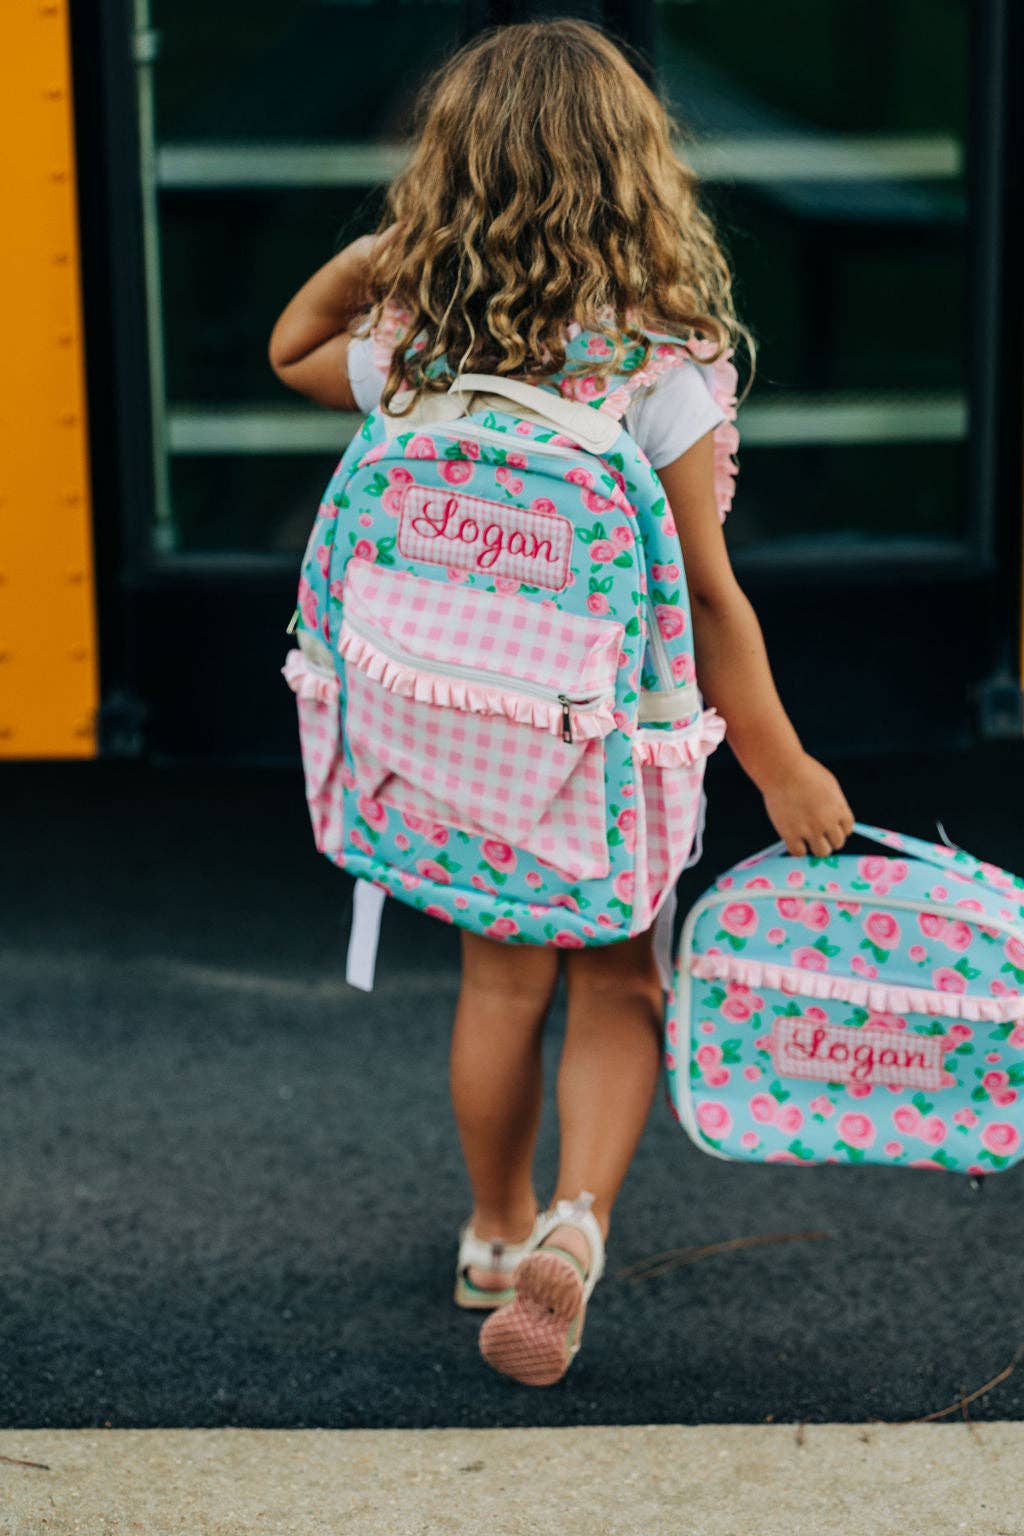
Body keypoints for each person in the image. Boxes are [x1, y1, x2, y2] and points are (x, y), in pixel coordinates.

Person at [268, 17, 855, 1387]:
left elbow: (299, 345)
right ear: (639, 175)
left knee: (496, 980)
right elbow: (708, 599)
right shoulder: (667, 361)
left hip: (452, 738)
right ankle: (579, 1223)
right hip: (606, 746)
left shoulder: (410, 350)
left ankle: (492, 1227)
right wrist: (781, 765)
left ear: (450, 176)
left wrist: (384, 256)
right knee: (618, 977)